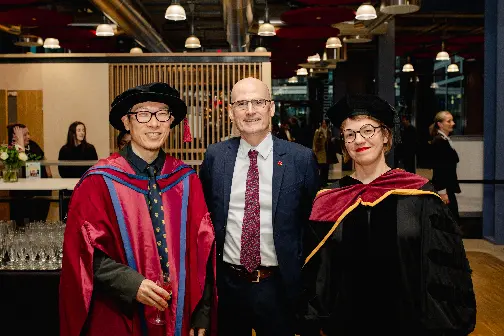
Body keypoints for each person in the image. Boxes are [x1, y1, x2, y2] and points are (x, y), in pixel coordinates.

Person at [302, 94, 476, 336]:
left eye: (368, 130)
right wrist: (314, 320)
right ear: (344, 143)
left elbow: (441, 269)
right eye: (350, 134)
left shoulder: (420, 195)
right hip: (344, 324)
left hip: (408, 324)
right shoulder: (330, 198)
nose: (359, 140)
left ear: (385, 136)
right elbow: (321, 272)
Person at [59, 83, 216, 336]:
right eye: (143, 114)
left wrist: (202, 311)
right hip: (119, 311)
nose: (154, 123)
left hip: (178, 312)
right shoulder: (98, 182)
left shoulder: (187, 181)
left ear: (171, 121)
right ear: (126, 122)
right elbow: (82, 254)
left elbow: (203, 253)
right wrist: (132, 284)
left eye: (162, 113)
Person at [199, 77, 319, 336]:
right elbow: (205, 221)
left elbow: (311, 228)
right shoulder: (215, 158)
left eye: (258, 102)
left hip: (280, 287)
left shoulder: (300, 159)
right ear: (231, 112)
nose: (250, 110)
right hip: (228, 286)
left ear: (271, 108)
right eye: (241, 103)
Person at [7, 124, 52, 226]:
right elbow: (20, 162)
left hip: (40, 191)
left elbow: (43, 158)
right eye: (24, 134)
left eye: (28, 133)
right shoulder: (11, 149)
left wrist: (49, 175)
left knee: (39, 222)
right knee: (24, 225)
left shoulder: (33, 144)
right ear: (15, 137)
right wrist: (20, 143)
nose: (29, 137)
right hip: (23, 195)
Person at [430, 111, 460, 220]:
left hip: (447, 187)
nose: (452, 123)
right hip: (444, 188)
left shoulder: (444, 140)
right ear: (440, 124)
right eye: (449, 121)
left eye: (452, 120)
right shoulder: (439, 141)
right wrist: (442, 191)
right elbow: (439, 168)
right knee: (450, 220)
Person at [312, 119, 338, 188]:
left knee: (326, 169)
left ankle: (325, 182)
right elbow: (314, 141)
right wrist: (314, 151)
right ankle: (320, 183)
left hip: (327, 152)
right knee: (321, 169)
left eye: (325, 123)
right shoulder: (318, 131)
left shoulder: (329, 131)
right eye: (323, 123)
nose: (324, 125)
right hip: (320, 152)